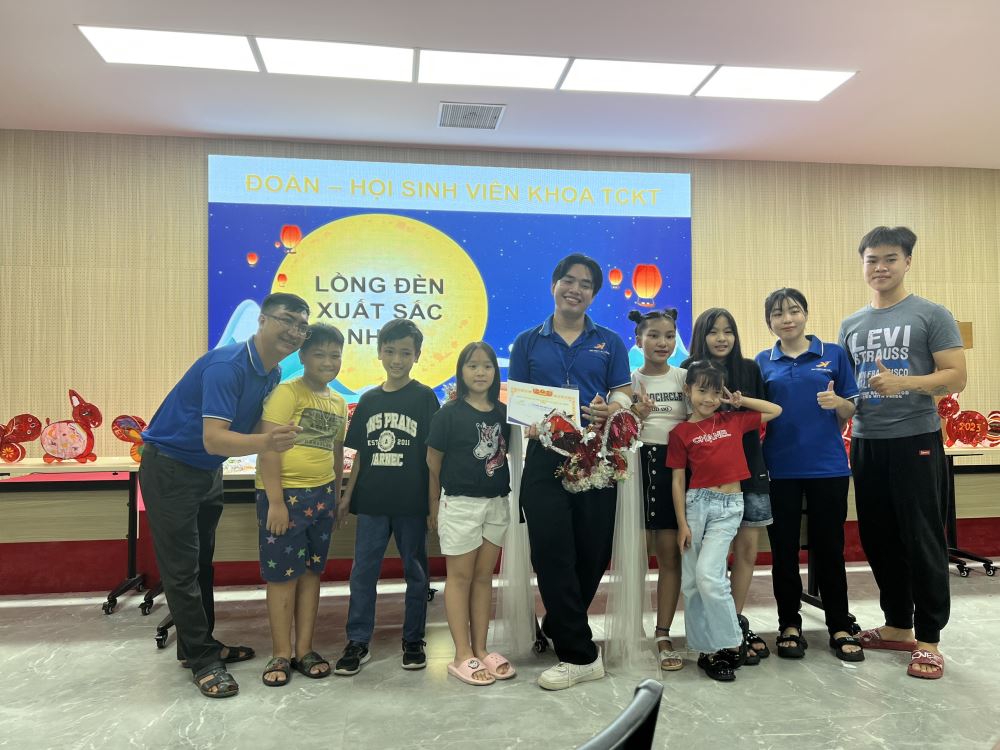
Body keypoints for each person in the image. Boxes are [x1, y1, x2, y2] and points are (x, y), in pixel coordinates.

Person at [139, 292, 309, 698]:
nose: (295, 331)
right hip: (171, 468)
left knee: (201, 565)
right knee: (182, 570)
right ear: (262, 320)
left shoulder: (271, 373)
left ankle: (199, 647)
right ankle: (203, 662)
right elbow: (214, 438)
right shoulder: (227, 366)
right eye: (287, 320)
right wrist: (268, 441)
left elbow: (237, 436)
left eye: (302, 325)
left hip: (205, 471)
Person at [838, 226, 966, 680]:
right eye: (872, 259)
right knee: (879, 538)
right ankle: (897, 625)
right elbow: (851, 388)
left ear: (907, 262)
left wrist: (905, 382)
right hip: (867, 441)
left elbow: (956, 376)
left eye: (890, 258)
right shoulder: (851, 325)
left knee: (922, 538)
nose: (880, 267)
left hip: (916, 440)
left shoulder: (931, 314)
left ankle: (929, 639)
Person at [508, 253, 634, 691]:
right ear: (554, 285)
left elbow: (623, 392)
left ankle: (562, 621)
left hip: (596, 454)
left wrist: (611, 407)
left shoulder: (609, 342)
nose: (575, 289)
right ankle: (580, 655)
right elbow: (518, 398)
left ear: (593, 294)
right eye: (568, 280)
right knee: (550, 551)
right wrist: (530, 419)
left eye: (585, 284)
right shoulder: (528, 341)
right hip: (545, 455)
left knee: (593, 551)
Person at [755, 289, 863, 662]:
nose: (787, 319)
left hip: (828, 468)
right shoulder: (762, 362)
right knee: (783, 551)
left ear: (805, 314)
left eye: (794, 310)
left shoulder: (833, 354)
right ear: (769, 321)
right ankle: (789, 624)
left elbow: (851, 409)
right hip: (779, 469)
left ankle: (839, 625)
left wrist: (839, 403)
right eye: (778, 313)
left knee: (830, 549)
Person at [333, 319, 441, 676]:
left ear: (417, 355)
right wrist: (347, 496)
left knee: (416, 573)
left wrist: (433, 503)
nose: (397, 359)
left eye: (405, 352)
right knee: (363, 573)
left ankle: (413, 640)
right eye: (391, 351)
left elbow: (433, 456)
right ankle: (357, 640)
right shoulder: (368, 400)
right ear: (379, 352)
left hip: (411, 503)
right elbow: (360, 456)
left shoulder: (425, 397)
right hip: (372, 502)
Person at [667, 360, 782, 681]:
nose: (709, 398)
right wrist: (682, 523)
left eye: (716, 392)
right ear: (687, 390)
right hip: (696, 505)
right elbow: (678, 480)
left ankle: (731, 641)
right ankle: (708, 652)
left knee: (709, 576)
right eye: (702, 390)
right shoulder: (680, 432)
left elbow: (775, 410)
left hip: (729, 507)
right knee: (693, 583)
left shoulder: (732, 420)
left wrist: (739, 401)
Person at [255, 323, 348, 686]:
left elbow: (336, 453)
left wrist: (336, 497)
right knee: (282, 577)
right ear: (303, 356)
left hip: (321, 497)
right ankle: (280, 653)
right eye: (320, 354)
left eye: (335, 355)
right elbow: (267, 446)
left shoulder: (338, 401)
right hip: (285, 497)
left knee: (311, 573)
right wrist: (276, 502)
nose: (328, 362)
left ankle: (304, 649)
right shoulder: (287, 393)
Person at [681, 308, 772, 663]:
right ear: (701, 336)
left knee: (746, 552)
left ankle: (734, 624)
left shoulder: (749, 369)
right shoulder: (687, 369)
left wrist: (738, 400)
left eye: (728, 331)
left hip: (750, 474)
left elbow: (766, 415)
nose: (721, 338)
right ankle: (717, 633)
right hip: (704, 485)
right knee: (708, 566)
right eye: (713, 331)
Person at [427, 341, 514, 686]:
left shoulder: (504, 413)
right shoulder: (448, 414)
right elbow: (433, 462)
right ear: (461, 371)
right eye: (472, 365)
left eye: (487, 366)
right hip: (460, 504)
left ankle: (481, 648)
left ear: (496, 372)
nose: (480, 372)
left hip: (497, 503)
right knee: (460, 578)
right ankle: (461, 654)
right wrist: (434, 505)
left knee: (483, 578)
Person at [627, 308, 688, 671]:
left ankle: (663, 633)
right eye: (653, 335)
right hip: (635, 469)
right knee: (633, 557)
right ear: (639, 340)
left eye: (669, 336)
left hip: (674, 471)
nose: (662, 342)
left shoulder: (684, 378)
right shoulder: (628, 382)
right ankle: (630, 630)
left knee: (669, 555)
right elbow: (617, 429)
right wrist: (637, 416)